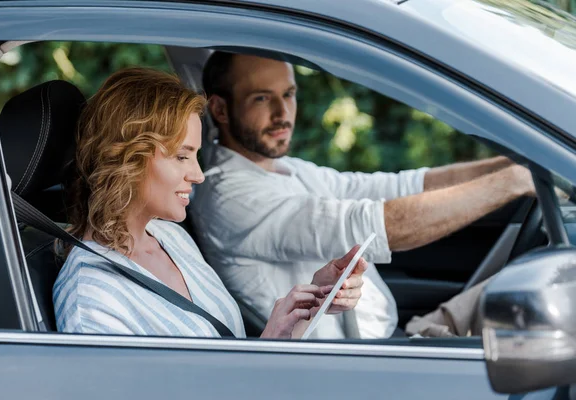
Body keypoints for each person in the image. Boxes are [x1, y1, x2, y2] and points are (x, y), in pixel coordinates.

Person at [189, 52, 536, 339]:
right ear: (220, 109)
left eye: (289, 94)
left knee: (536, 284)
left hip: (399, 339)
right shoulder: (229, 195)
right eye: (262, 98)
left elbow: (400, 187)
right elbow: (371, 227)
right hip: (364, 369)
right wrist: (514, 181)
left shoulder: (285, 169)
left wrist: (519, 164)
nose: (283, 113)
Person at [52, 67, 367, 339]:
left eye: (196, 156)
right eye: (182, 156)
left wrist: (302, 311)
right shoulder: (90, 297)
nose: (198, 175)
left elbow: (225, 365)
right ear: (127, 159)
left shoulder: (170, 238)